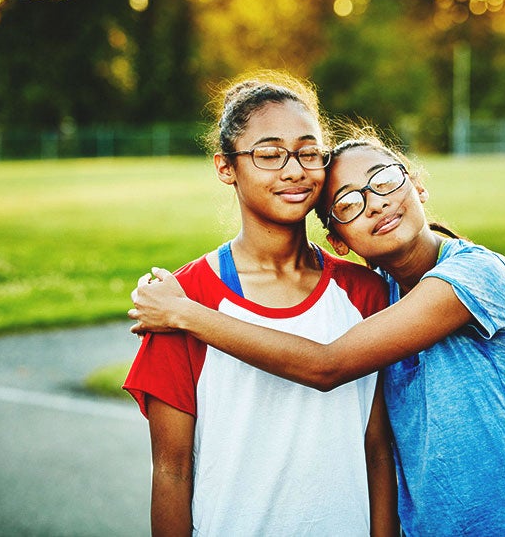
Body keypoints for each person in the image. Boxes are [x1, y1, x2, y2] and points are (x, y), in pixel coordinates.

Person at [130, 130, 505, 536]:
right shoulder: (374, 295)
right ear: (339, 242)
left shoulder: (477, 275)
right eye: (348, 204)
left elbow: (328, 365)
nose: (377, 202)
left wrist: (185, 313)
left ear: (418, 185)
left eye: (384, 180)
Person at [123, 74, 399, 536]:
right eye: (269, 155)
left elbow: (377, 449)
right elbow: (172, 472)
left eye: (309, 153)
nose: (294, 170)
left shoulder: (364, 292)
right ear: (225, 167)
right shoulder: (182, 300)